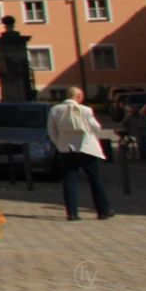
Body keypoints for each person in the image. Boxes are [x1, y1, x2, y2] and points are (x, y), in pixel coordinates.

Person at [48, 87, 114, 221]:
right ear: (78, 96)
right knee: (94, 178)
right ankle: (103, 210)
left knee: (69, 180)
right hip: (86, 147)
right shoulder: (85, 110)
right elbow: (96, 127)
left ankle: (72, 212)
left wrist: (60, 144)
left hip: (66, 148)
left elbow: (51, 131)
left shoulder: (55, 110)